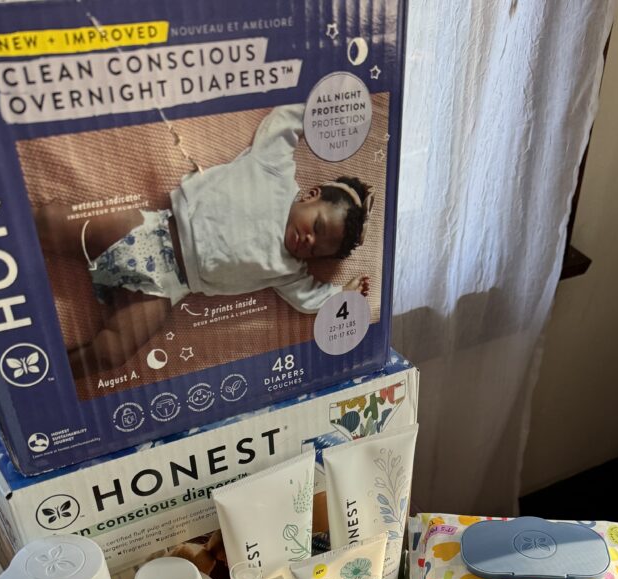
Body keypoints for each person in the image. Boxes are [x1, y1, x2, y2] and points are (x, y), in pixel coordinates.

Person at [34, 104, 373, 378]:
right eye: (315, 226)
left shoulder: (289, 271)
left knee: (111, 353)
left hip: (164, 289)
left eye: (316, 250)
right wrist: (322, 109)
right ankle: (11, 234)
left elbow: (308, 299)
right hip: (150, 230)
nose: (308, 240)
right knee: (53, 223)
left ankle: (46, 376)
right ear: (311, 196)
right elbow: (285, 119)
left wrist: (341, 296)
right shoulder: (275, 171)